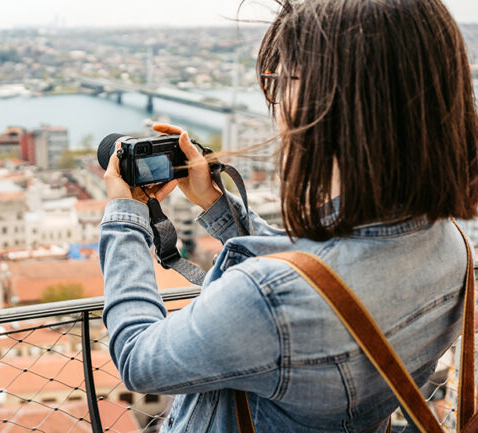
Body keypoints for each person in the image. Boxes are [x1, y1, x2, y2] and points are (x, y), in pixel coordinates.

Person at [98, 0, 478, 431]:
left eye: (280, 79)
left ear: (328, 102)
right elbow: (318, 271)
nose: (274, 98)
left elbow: (137, 357)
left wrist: (124, 215)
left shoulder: (267, 299)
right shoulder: (450, 244)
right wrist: (216, 204)